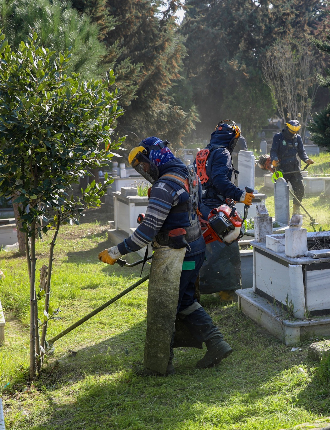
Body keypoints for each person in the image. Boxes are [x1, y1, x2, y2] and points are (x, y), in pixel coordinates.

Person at [99, 137, 232, 375]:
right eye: (139, 168)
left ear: (154, 157)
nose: (144, 170)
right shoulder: (188, 174)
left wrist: (115, 252)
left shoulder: (164, 186)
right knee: (184, 301)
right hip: (195, 248)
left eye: (143, 164)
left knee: (165, 307)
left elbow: (145, 233)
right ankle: (215, 343)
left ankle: (161, 364)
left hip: (178, 255)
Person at [197, 120, 253, 299]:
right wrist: (240, 195)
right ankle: (226, 292)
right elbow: (220, 180)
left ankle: (200, 288)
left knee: (206, 247)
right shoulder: (222, 152)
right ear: (231, 139)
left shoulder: (204, 152)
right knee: (228, 244)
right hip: (217, 207)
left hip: (201, 205)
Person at [270, 119, 314, 216]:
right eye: (292, 131)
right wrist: (274, 159)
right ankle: (282, 214)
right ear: (287, 128)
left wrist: (306, 159)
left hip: (294, 168)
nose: (293, 133)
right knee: (281, 192)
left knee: (300, 189)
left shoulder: (297, 138)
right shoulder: (278, 137)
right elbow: (273, 151)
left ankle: (296, 211)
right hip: (281, 168)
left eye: (295, 132)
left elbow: (301, 152)